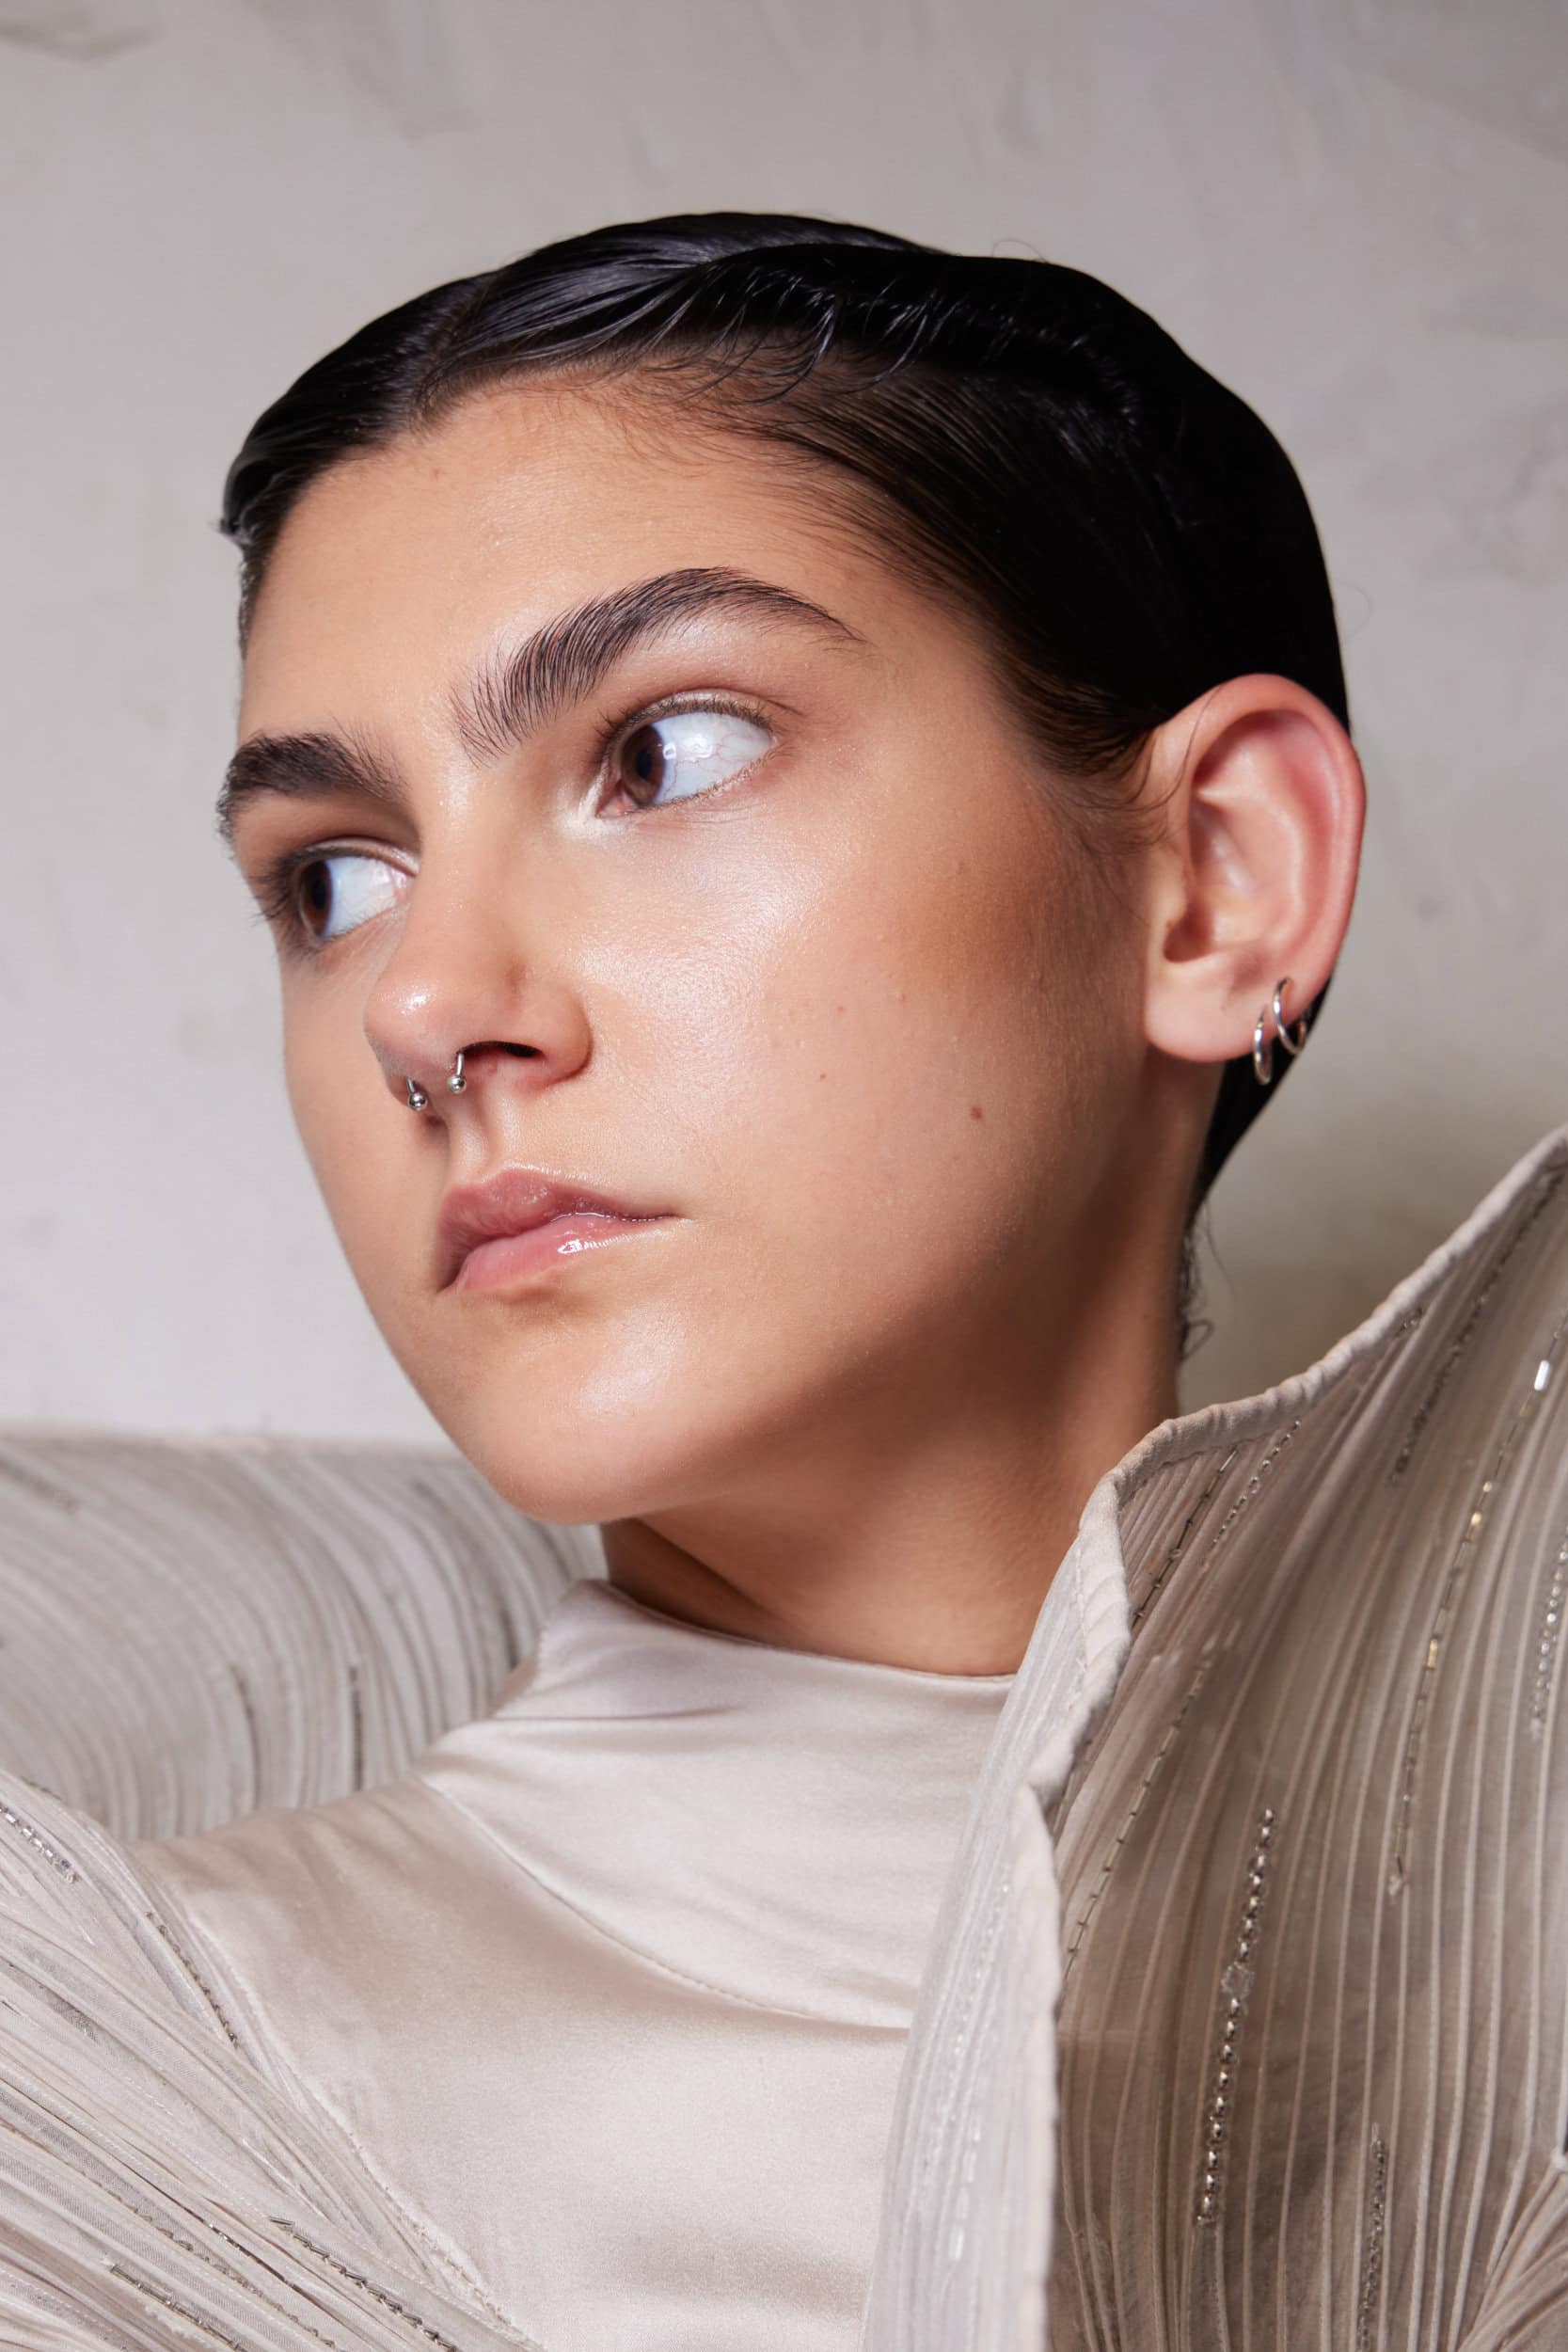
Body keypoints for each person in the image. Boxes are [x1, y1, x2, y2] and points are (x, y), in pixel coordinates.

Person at [1, 212, 1563, 2352]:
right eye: (334, 879)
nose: (425, 1004)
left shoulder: (1497, 2072)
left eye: (664, 752)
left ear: (1217, 879)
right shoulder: (107, 2143)